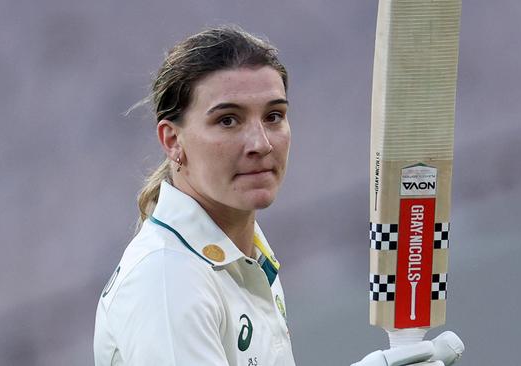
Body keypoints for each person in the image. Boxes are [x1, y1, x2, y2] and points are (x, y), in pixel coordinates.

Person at [93, 25, 464, 366]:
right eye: (228, 120)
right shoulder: (167, 278)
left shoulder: (245, 254)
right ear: (173, 141)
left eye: (273, 116)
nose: (261, 143)